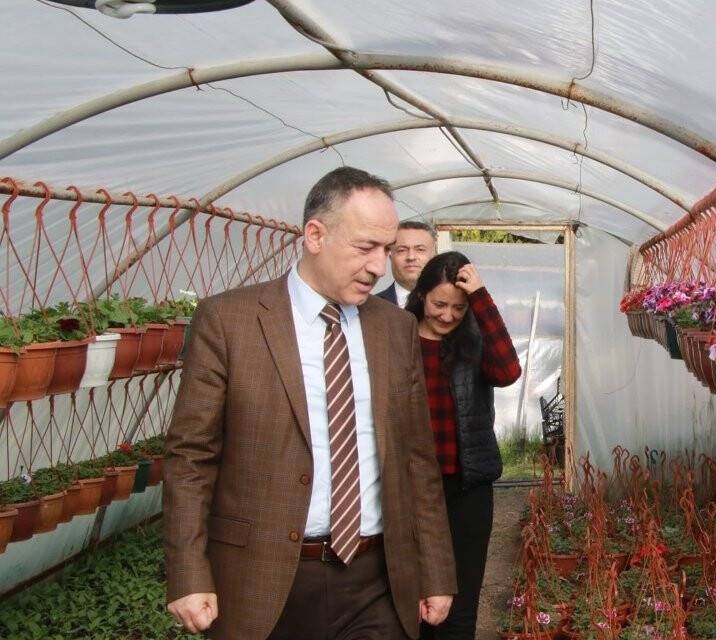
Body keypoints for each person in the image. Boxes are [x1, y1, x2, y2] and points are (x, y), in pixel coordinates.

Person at [164, 166, 457, 640]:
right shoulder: (229, 320)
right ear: (315, 235)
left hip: (376, 580)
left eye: (386, 249)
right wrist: (187, 571)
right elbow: (191, 456)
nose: (379, 266)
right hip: (262, 579)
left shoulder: (394, 328)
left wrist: (437, 570)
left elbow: (416, 457)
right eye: (365, 247)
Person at [407, 251, 521, 640]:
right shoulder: (397, 336)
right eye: (439, 304)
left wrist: (481, 297)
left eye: (458, 307)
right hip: (411, 491)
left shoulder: (473, 342)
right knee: (412, 597)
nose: (447, 316)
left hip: (466, 488)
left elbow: (508, 371)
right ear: (421, 295)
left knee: (462, 595)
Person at [378, 220, 437, 308]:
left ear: (435, 254)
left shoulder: (455, 303)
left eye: (420, 249)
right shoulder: (368, 308)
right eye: (402, 250)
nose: (411, 257)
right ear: (390, 255)